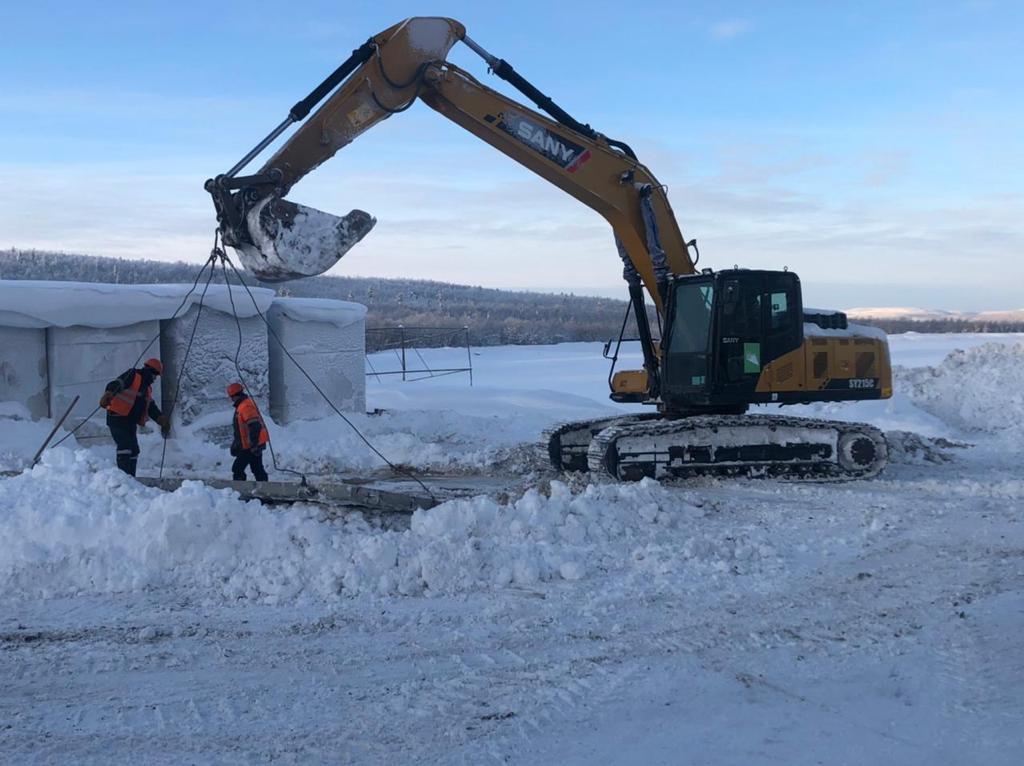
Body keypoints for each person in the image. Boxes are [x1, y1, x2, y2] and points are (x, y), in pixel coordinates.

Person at [99, 358, 170, 476]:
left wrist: (160, 418)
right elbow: (118, 383)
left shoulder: (146, 389)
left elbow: (150, 407)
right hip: (117, 417)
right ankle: (123, 478)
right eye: (154, 375)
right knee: (125, 446)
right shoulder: (133, 375)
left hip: (129, 421)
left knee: (134, 450)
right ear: (149, 371)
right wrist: (109, 393)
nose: (154, 379)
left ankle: (131, 479)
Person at [227, 382, 269, 481]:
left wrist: (253, 445)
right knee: (257, 468)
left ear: (234, 396)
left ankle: (240, 490)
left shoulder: (245, 407)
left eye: (231, 397)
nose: (231, 400)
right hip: (251, 444)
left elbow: (255, 425)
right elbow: (241, 429)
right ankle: (264, 489)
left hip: (251, 445)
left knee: (237, 468)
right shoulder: (242, 405)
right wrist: (237, 443)